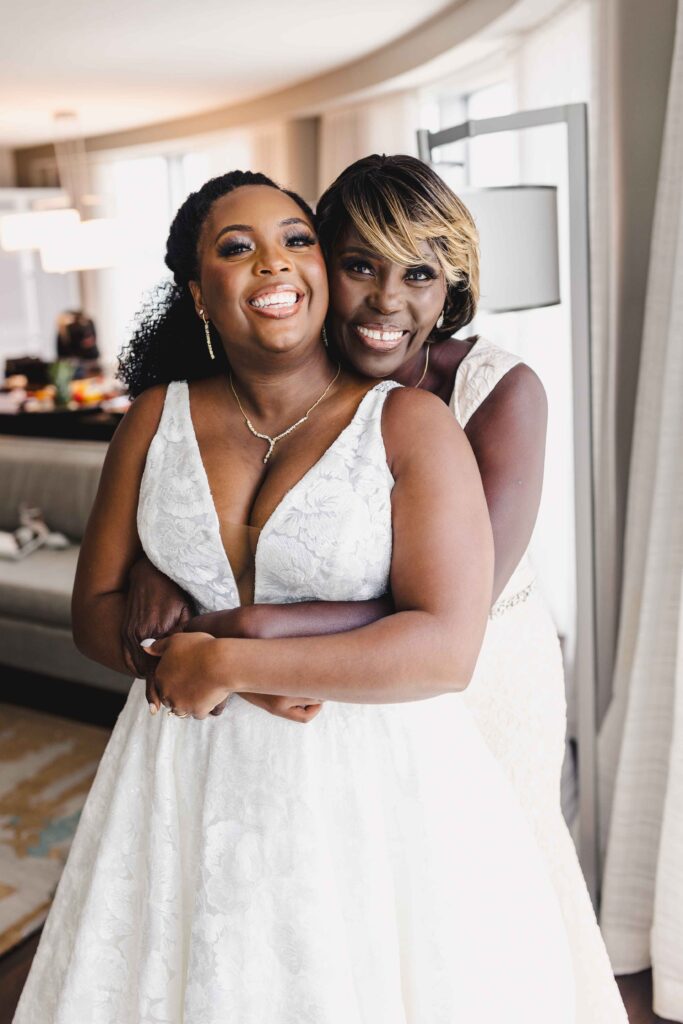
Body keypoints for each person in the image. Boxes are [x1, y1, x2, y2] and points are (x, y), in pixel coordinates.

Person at [13, 170, 575, 1023]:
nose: (272, 265)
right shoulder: (155, 420)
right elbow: (96, 607)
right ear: (197, 295)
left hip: (390, 745)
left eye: (293, 240)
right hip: (182, 766)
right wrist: (166, 624)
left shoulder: (430, 413)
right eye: (236, 248)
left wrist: (231, 653)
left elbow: (448, 634)